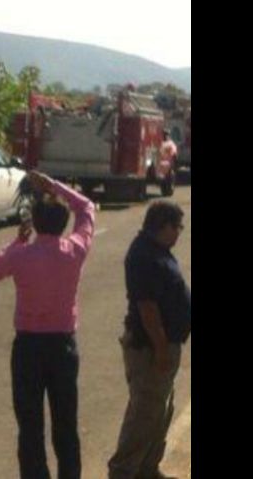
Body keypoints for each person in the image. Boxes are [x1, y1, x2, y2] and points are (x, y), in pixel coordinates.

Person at [0, 171, 95, 479]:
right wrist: (54, 185)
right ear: (62, 223)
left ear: (35, 221)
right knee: (66, 422)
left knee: (30, 424)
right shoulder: (74, 250)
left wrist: (18, 240)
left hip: (28, 346)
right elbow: (86, 207)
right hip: (62, 345)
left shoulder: (22, 254)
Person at [108, 201, 190, 479]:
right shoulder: (144, 256)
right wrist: (161, 348)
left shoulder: (157, 251)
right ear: (163, 226)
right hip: (150, 348)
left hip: (163, 344)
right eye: (177, 227)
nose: (179, 232)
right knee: (144, 413)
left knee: (160, 410)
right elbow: (147, 308)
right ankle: (123, 471)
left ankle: (147, 468)